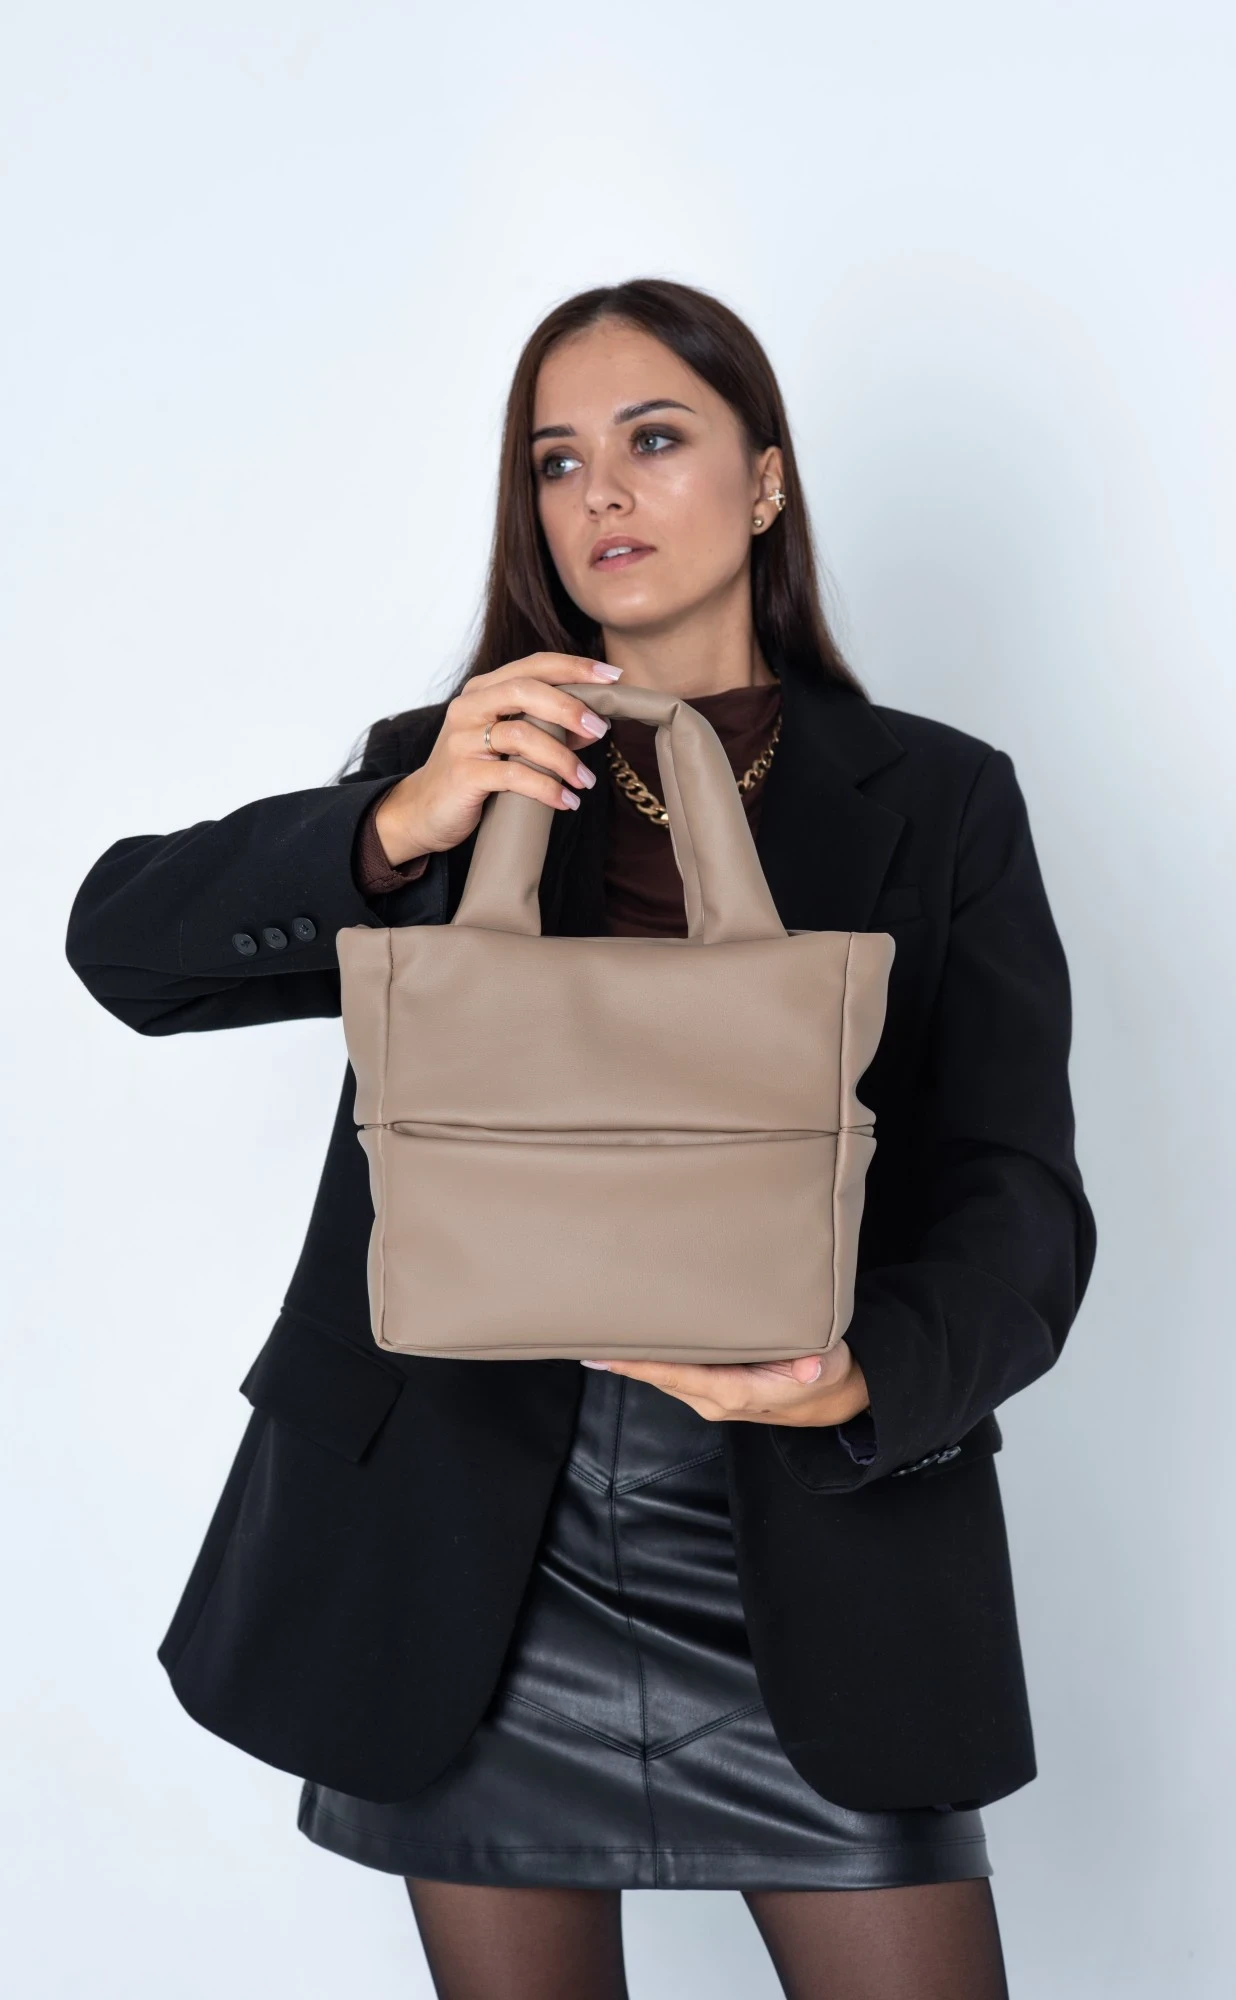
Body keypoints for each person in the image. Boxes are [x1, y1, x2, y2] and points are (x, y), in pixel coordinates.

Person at [66, 277, 1096, 2000]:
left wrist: (864, 1381)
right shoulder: (453, 771)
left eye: (654, 438)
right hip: (465, 1550)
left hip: (808, 1522)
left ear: (765, 482)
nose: (600, 491)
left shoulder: (937, 797)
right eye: (556, 460)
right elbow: (127, 953)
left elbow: (1019, 1194)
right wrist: (396, 821)